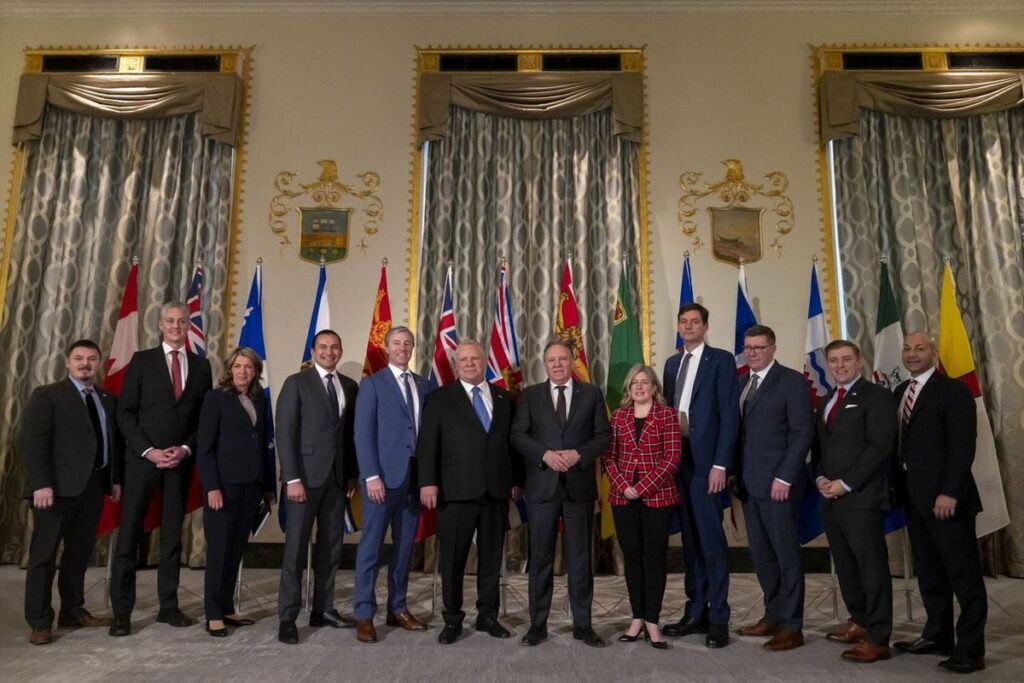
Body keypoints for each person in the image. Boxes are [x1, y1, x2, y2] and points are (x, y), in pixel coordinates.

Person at [110, 302, 212, 636]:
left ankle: (168, 606)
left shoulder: (201, 366)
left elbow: (203, 420)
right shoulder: (141, 361)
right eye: (170, 321)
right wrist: (149, 451)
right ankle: (121, 612)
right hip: (142, 462)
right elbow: (126, 413)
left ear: (188, 326)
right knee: (129, 536)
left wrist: (184, 449)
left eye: (182, 321)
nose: (176, 326)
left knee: (172, 538)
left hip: (179, 464)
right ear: (160, 325)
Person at [892, 331, 987, 674]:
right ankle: (937, 636)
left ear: (933, 352)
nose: (912, 354)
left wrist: (949, 491)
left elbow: (963, 447)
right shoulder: (901, 392)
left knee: (964, 577)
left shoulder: (953, 390)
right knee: (930, 575)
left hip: (948, 501)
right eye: (907, 348)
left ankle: (972, 650)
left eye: (920, 348)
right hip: (914, 501)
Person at [19, 339, 123, 645]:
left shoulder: (106, 398)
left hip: (92, 488)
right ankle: (39, 621)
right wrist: (41, 483)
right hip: (55, 490)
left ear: (99, 363)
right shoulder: (48, 395)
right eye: (79, 358)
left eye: (91, 359)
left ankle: (73, 610)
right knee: (44, 557)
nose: (85, 363)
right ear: (67, 362)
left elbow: (111, 444)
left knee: (78, 555)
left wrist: (113, 480)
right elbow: (34, 442)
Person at [511, 339, 611, 648]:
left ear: (571, 362)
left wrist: (578, 454)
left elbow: (603, 436)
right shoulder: (530, 396)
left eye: (562, 359)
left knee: (580, 559)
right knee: (540, 558)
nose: (557, 364)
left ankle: (583, 624)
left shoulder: (592, 394)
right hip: (542, 487)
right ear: (545, 364)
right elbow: (518, 435)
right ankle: (537, 624)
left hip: (578, 488)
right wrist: (544, 455)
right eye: (551, 360)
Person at [418, 340, 518, 645]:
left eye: (475, 358)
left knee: (490, 558)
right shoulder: (439, 398)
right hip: (454, 492)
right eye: (464, 360)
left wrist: (516, 480)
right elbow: (427, 445)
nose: (470, 363)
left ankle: (488, 615)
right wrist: (427, 481)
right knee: (453, 560)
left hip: (495, 492)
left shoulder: (504, 398)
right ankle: (452, 618)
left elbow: (512, 445)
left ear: (485, 360)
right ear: (456, 363)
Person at [661, 303, 739, 649]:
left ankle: (719, 615)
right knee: (691, 542)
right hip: (679, 462)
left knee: (711, 542)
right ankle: (696, 611)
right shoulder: (671, 363)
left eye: (695, 321)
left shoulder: (721, 361)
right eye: (683, 321)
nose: (688, 326)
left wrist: (721, 465)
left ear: (705, 326)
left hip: (708, 465)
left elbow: (729, 416)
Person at [814, 339, 897, 663]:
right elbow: (820, 448)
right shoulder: (826, 400)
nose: (839, 365)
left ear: (859, 361)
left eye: (846, 359)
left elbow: (879, 447)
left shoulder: (877, 396)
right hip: (830, 497)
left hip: (861, 496)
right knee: (846, 566)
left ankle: (878, 637)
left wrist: (845, 484)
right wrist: (820, 478)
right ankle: (860, 620)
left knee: (871, 568)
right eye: (833, 360)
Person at [732, 325, 814, 651]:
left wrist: (786, 476)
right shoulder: (741, 383)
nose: (753, 353)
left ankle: (793, 626)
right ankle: (773, 615)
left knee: (786, 557)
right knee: (762, 557)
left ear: (773, 348)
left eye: (759, 347)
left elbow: (802, 433)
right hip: (750, 486)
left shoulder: (791, 381)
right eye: (748, 347)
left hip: (779, 486)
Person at [276, 329, 359, 645]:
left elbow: (349, 437)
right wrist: (292, 478)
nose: (329, 351)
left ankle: (323, 609)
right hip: (304, 481)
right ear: (313, 350)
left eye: (334, 347)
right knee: (296, 550)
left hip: (337, 483)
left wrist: (351, 475)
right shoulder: (296, 383)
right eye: (323, 346)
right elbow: (286, 433)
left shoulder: (349, 387)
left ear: (340, 351)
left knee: (330, 549)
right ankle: (288, 617)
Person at [352, 326, 429, 643]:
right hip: (381, 481)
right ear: (386, 347)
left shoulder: (424, 384)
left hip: (413, 481)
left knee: (403, 551)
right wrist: (371, 475)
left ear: (413, 348)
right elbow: (363, 432)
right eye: (396, 343)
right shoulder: (372, 384)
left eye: (407, 343)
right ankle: (364, 614)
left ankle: (397, 608)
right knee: (370, 550)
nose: (402, 347)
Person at [196, 347, 275, 637]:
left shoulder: (258, 400)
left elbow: (264, 444)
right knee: (218, 551)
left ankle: (227, 607)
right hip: (223, 487)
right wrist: (212, 487)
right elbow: (205, 449)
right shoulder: (215, 398)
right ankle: (213, 613)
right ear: (230, 369)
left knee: (235, 551)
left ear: (256, 371)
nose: (243, 371)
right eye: (238, 366)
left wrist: (267, 488)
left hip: (251, 486)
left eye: (249, 367)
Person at [603, 364, 681, 650]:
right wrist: (624, 485)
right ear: (628, 388)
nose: (639, 387)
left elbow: (672, 458)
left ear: (654, 387)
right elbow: (609, 457)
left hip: (657, 498)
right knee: (632, 557)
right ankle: (636, 618)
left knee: (654, 558)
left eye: (644, 382)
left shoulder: (667, 415)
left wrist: (642, 487)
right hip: (623, 498)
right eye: (634, 383)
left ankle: (652, 620)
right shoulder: (619, 417)